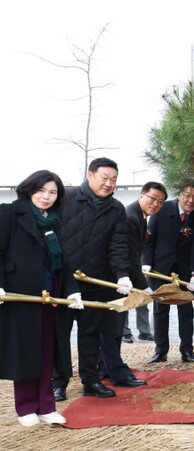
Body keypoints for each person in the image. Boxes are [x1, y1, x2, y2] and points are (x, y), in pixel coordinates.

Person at [0, 170, 82, 426]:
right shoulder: (9, 212)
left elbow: (63, 260)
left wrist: (72, 290)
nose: (46, 197)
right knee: (26, 350)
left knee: (48, 351)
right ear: (29, 190)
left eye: (52, 192)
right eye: (41, 191)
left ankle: (46, 406)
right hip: (21, 294)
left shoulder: (53, 220)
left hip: (50, 295)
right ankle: (26, 407)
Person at [53, 157, 133, 401]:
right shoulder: (65, 198)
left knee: (90, 334)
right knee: (59, 334)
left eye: (113, 180)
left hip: (95, 282)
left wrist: (122, 275)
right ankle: (58, 382)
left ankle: (91, 380)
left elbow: (118, 245)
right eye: (104, 178)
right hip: (62, 282)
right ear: (90, 175)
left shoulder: (116, 209)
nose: (109, 184)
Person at [143, 179, 194, 364]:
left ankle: (187, 351)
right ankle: (160, 351)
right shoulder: (162, 208)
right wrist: (146, 263)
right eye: (187, 195)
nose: (191, 200)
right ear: (179, 194)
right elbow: (149, 239)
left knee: (186, 311)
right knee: (160, 310)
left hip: (185, 271)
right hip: (160, 269)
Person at [122, 182, 168, 343]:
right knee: (124, 303)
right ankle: (124, 333)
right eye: (153, 198)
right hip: (121, 272)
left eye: (160, 202)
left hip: (131, 268)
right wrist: (143, 286)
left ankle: (141, 331)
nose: (156, 204)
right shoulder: (130, 217)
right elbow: (130, 256)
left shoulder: (140, 216)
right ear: (141, 195)